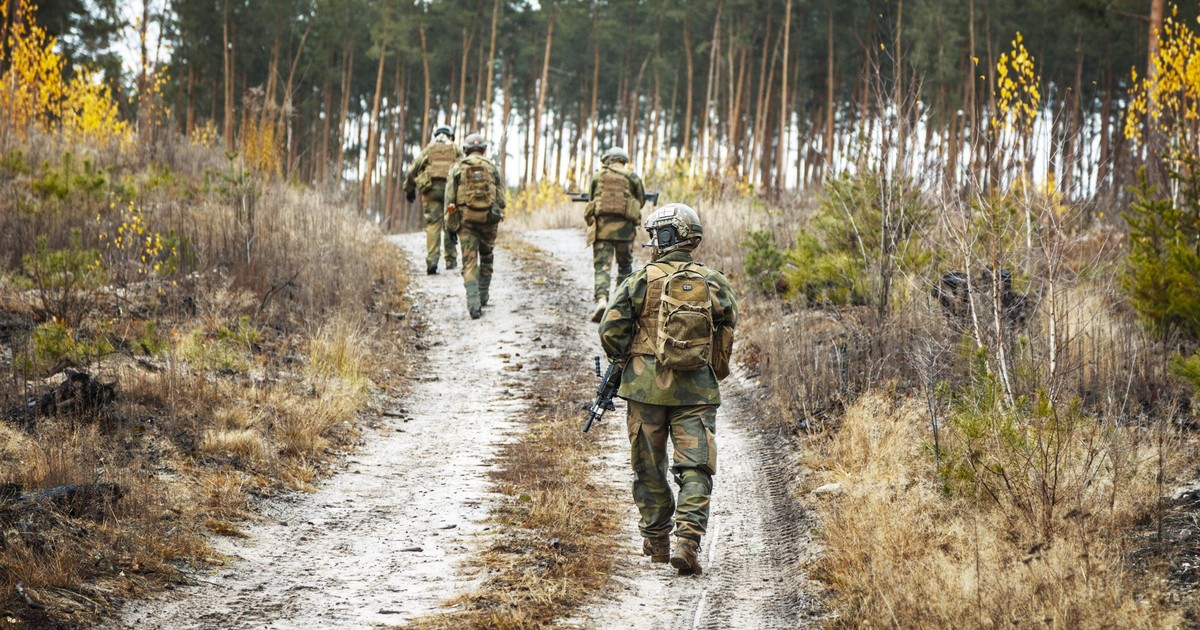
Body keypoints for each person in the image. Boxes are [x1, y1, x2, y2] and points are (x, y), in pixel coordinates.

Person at [598, 203, 738, 576]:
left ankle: (657, 541)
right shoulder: (713, 281)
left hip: (645, 390)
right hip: (696, 389)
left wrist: (627, 359)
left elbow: (610, 331)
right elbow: (728, 322)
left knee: (649, 466)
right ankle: (687, 541)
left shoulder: (640, 279)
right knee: (696, 466)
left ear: (665, 237)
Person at [445, 133, 505, 319]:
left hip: (466, 221)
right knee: (487, 257)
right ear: (484, 149)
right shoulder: (492, 168)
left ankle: (474, 305)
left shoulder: (457, 168)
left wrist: (450, 226)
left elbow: (449, 200)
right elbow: (501, 200)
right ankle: (483, 296)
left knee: (469, 263)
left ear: (466, 149)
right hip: (488, 220)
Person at [585, 146, 645, 322]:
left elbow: (591, 199)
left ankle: (602, 300)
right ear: (623, 160)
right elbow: (640, 201)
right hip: (625, 233)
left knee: (602, 268)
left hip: (602, 232)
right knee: (625, 267)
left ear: (609, 159)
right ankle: (620, 305)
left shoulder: (598, 176)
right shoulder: (632, 177)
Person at [405, 125, 464, 275]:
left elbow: (413, 169)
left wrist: (409, 190)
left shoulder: (429, 149)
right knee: (450, 222)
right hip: (450, 194)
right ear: (451, 136)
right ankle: (451, 260)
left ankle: (432, 261)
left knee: (433, 224)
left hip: (431, 193)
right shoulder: (455, 149)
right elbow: (464, 168)